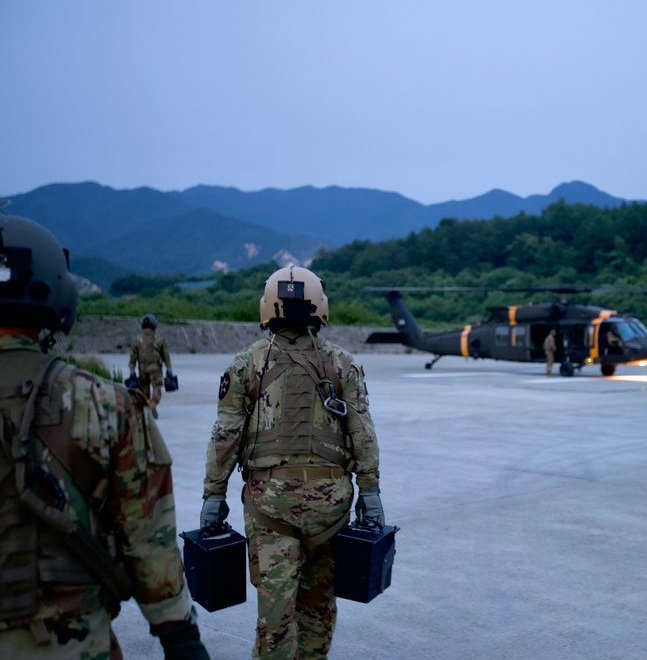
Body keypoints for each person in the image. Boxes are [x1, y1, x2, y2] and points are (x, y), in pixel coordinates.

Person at [0, 213, 208, 659]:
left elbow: (158, 358)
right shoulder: (104, 404)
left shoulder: (131, 374)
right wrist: (180, 638)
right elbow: (149, 540)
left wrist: (157, 373)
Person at [200, 265, 383, 659]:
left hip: (270, 508)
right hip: (330, 510)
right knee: (318, 610)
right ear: (319, 307)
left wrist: (213, 496)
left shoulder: (246, 363)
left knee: (276, 621)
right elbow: (363, 432)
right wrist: (371, 491)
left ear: (269, 307)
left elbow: (225, 435)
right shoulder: (342, 364)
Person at [129, 313, 172, 419]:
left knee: (144, 391)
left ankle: (147, 408)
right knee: (157, 389)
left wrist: (131, 369)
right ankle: (152, 405)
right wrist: (169, 368)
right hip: (155, 370)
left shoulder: (138, 340)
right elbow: (165, 355)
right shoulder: (159, 339)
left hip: (142, 370)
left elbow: (133, 356)